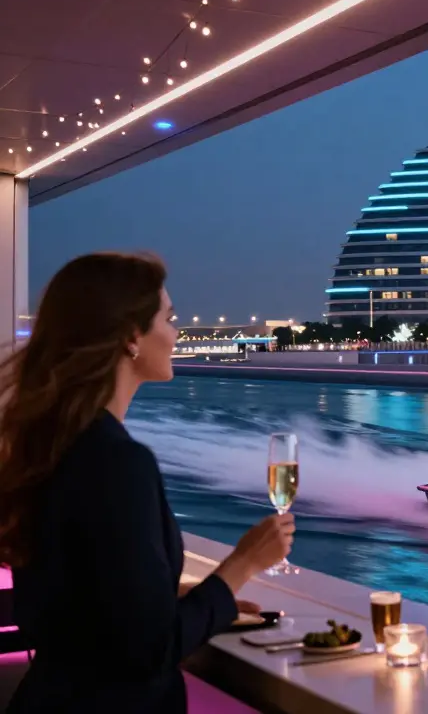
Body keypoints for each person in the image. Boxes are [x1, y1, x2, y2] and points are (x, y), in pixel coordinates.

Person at [0, 252, 295, 712]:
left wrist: (179, 595)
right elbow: (150, 651)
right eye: (170, 318)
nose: (177, 334)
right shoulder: (119, 463)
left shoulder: (49, 447)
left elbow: (81, 598)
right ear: (131, 336)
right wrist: (243, 563)